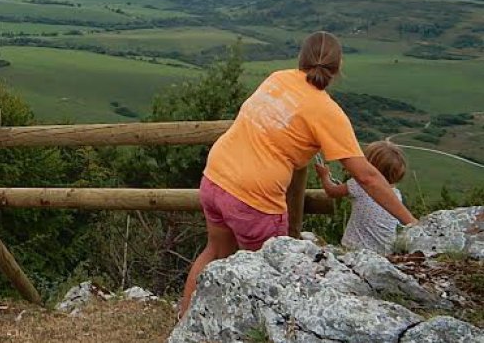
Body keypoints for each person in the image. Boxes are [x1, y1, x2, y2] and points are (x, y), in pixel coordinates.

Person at [178, 31, 417, 316]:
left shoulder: (277, 78)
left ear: (300, 59)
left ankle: (187, 319)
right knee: (268, 270)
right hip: (255, 196)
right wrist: (413, 224)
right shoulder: (328, 112)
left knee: (215, 253)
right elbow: (367, 176)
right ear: (338, 68)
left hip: (216, 175)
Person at [315, 139, 408, 254]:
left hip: (353, 249)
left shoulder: (360, 185)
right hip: (384, 254)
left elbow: (331, 191)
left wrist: (324, 175)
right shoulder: (396, 196)